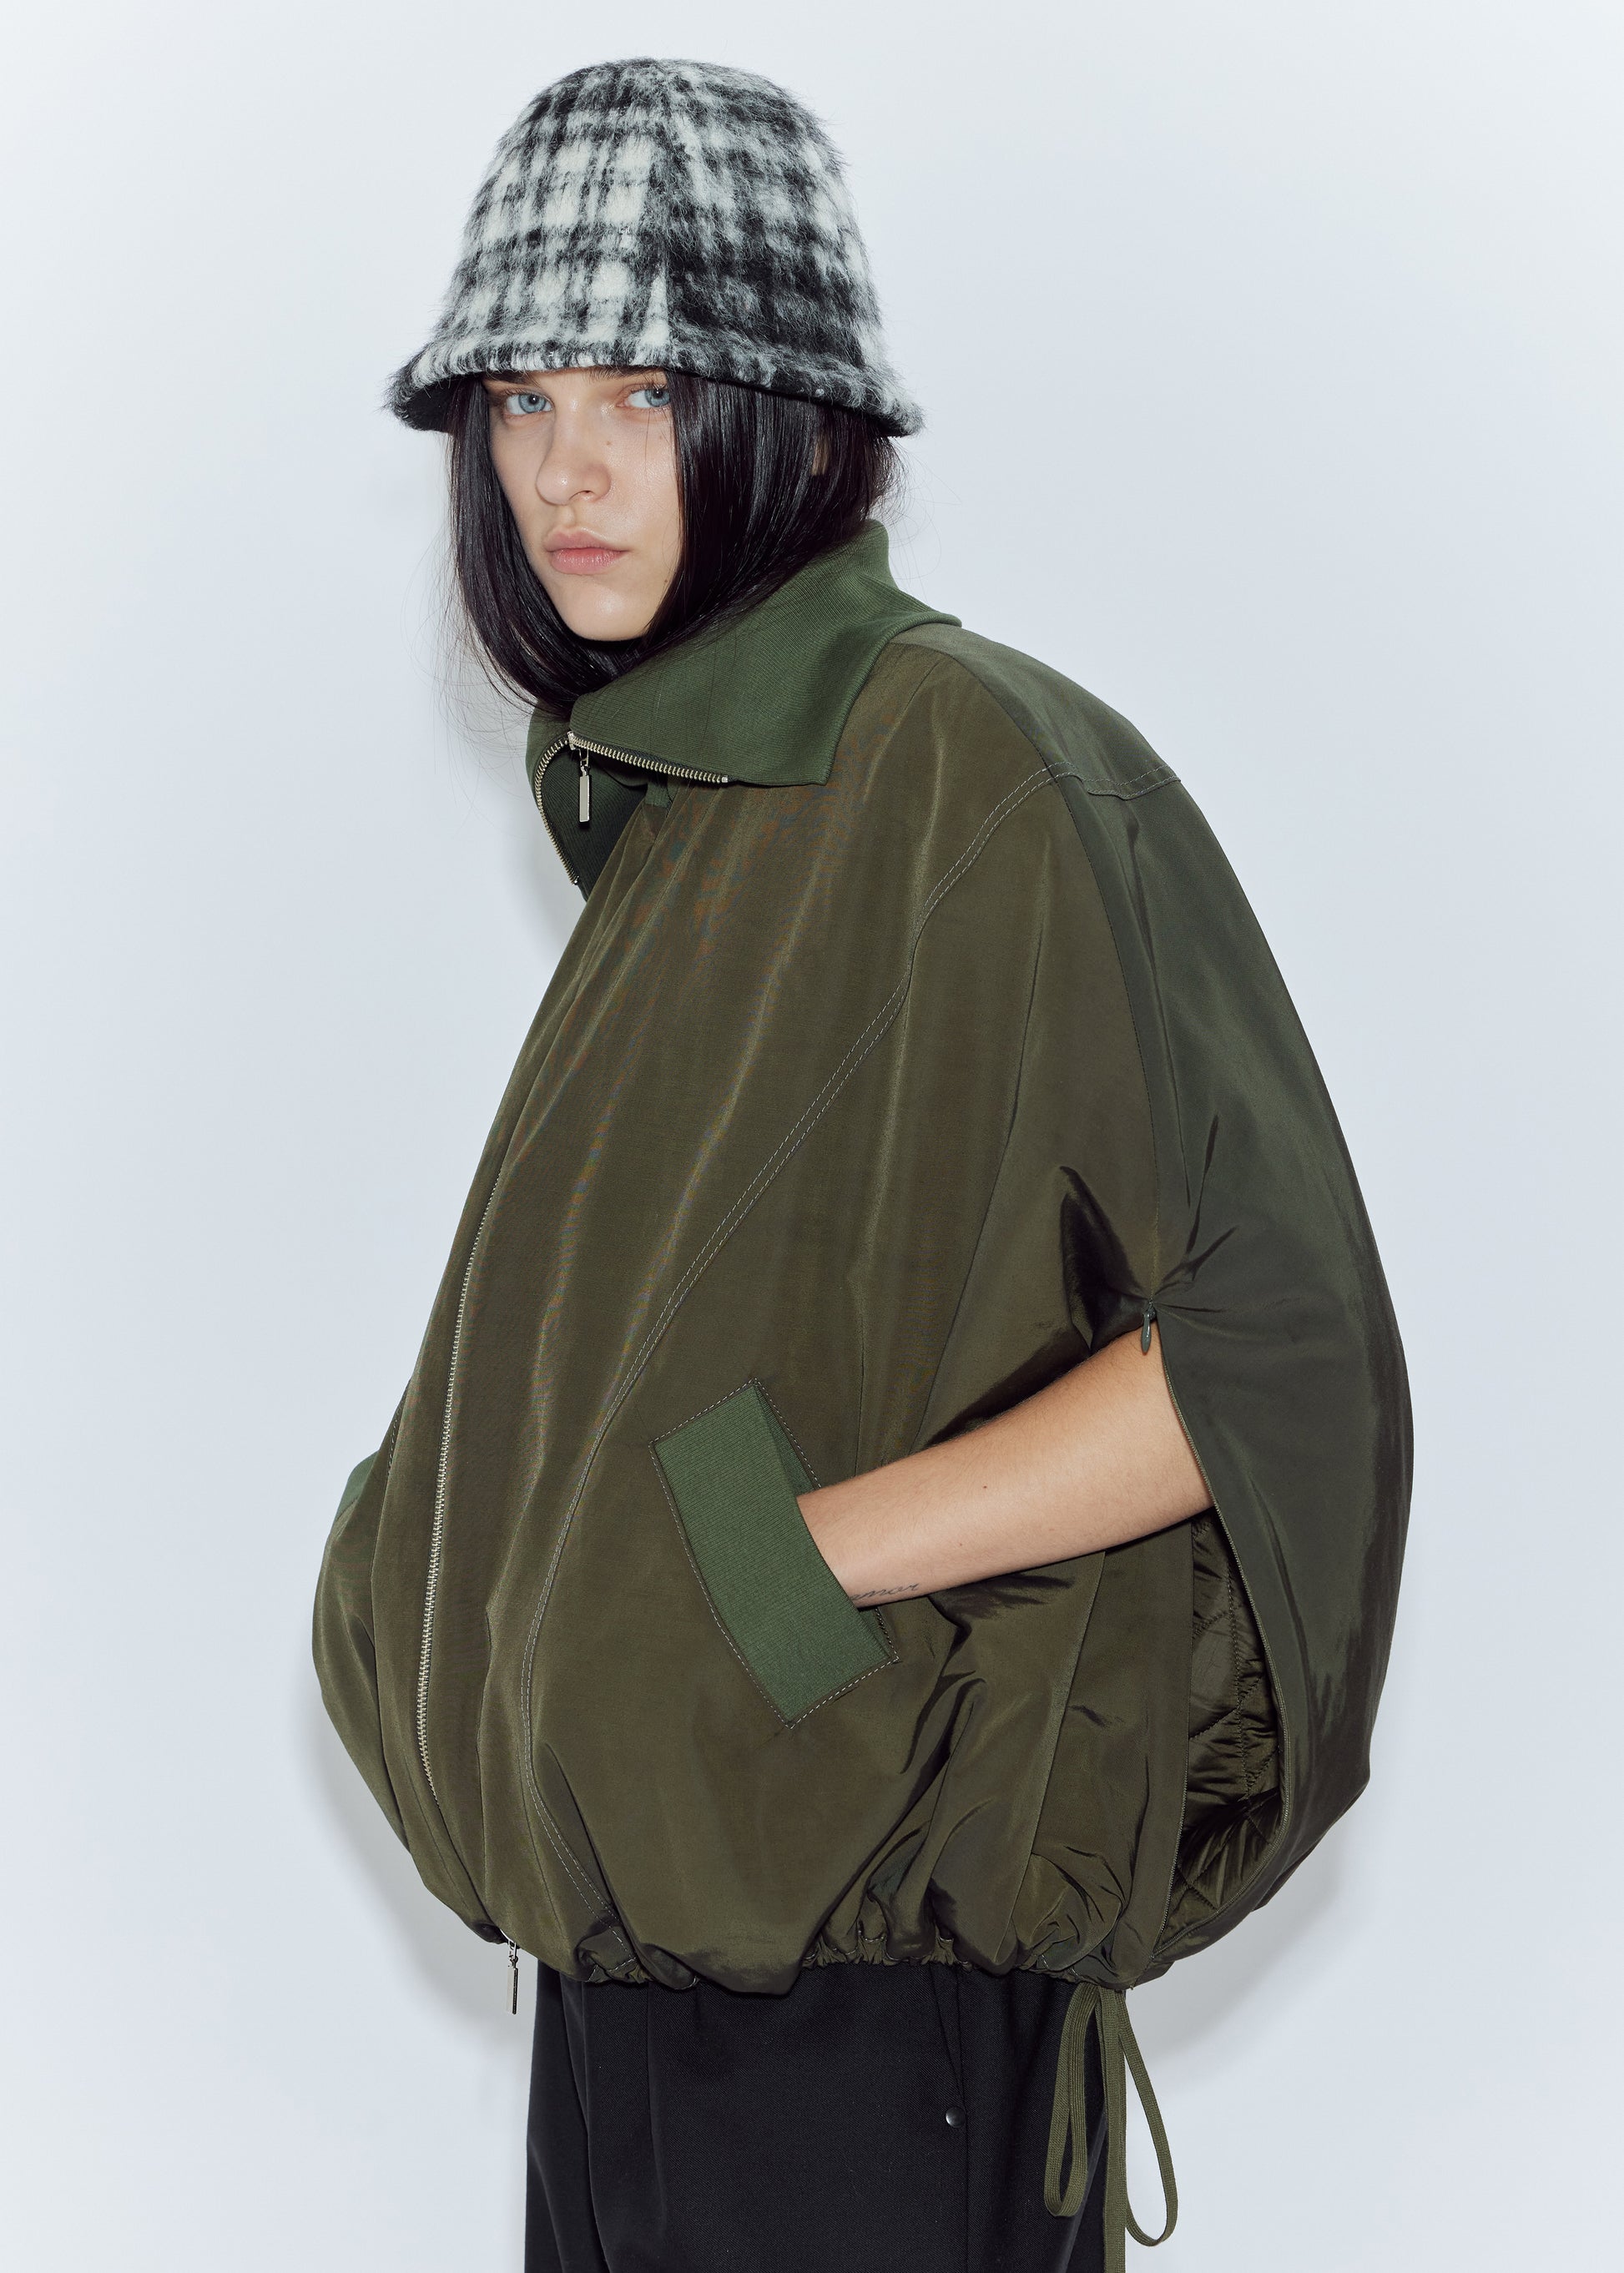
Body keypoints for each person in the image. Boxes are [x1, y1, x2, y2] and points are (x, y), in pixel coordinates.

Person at [314, 57, 1412, 2273]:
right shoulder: (692, 817)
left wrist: (784, 1561)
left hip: (852, 2003)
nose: (567, 468)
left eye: (643, 391)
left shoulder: (968, 768)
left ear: (799, 423)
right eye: (521, 402)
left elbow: (1273, 1353)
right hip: (647, 1975)